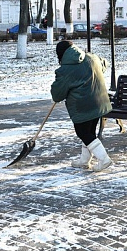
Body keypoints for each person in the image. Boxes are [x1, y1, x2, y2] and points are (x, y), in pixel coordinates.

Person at [50, 40, 113, 171]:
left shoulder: (65, 70)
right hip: (99, 102)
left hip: (82, 107)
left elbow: (57, 96)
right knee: (89, 132)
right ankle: (84, 160)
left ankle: (104, 159)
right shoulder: (92, 57)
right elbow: (104, 63)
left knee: (83, 132)